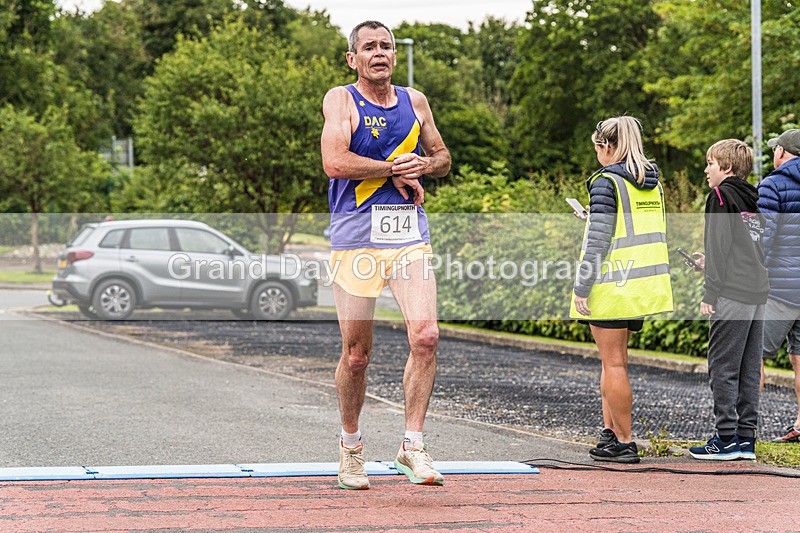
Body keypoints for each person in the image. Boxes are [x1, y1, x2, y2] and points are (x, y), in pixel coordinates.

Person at [320, 20, 451, 490]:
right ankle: (351, 448)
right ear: (353, 59)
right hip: (355, 239)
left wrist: (423, 164)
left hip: (406, 235)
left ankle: (411, 445)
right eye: (369, 47)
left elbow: (443, 158)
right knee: (357, 356)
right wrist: (392, 167)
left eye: (387, 46)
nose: (380, 53)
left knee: (427, 336)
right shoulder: (340, 99)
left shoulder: (415, 102)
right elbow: (335, 162)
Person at [570, 116, 673, 464]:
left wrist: (583, 285)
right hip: (639, 282)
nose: (597, 154)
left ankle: (625, 441)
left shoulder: (606, 182)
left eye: (597, 148)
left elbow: (600, 241)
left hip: (611, 283)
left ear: (607, 147)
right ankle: (610, 434)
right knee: (614, 361)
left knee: (614, 364)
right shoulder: (651, 181)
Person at [689, 139, 769, 461]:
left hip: (733, 294)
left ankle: (724, 438)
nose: (707, 169)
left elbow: (720, 245)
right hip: (757, 292)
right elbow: (747, 250)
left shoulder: (720, 195)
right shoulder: (752, 198)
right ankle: (745, 440)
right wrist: (711, 264)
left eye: (711, 163)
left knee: (722, 366)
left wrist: (711, 292)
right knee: (749, 367)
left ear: (727, 167)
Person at [758, 129, 800, 443]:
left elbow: (761, 237)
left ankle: (740, 430)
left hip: (780, 290)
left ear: (783, 153)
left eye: (776, 150)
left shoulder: (773, 185)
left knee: (752, 357)